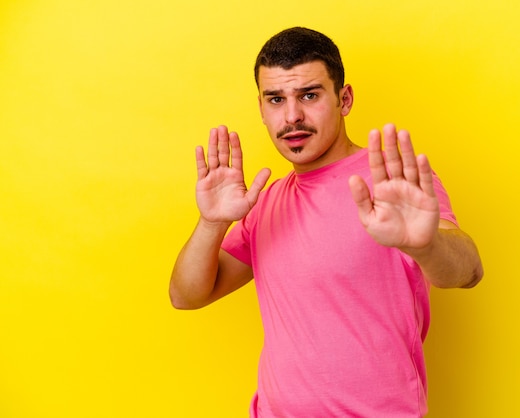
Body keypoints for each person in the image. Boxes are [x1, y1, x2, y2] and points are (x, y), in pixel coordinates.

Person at [170, 27, 483, 417]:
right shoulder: (265, 202)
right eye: (276, 99)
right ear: (262, 108)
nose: (292, 116)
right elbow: (187, 296)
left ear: (344, 98)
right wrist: (211, 224)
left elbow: (468, 270)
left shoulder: (391, 185)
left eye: (309, 95)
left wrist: (425, 246)